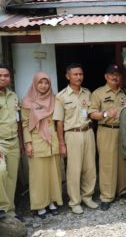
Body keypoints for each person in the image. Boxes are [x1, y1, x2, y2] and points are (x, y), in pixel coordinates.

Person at [53, 63, 98, 214]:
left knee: (90, 167)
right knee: (73, 170)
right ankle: (75, 201)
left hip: (88, 131)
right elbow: (59, 121)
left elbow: (91, 112)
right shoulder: (61, 97)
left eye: (81, 74)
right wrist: (61, 144)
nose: (79, 77)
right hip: (72, 135)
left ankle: (87, 196)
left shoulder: (87, 93)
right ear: (67, 76)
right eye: (75, 74)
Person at [21, 72, 63, 218]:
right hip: (37, 141)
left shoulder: (54, 99)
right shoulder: (27, 101)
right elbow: (25, 124)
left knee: (53, 174)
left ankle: (52, 202)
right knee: (38, 176)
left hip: (52, 141)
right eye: (41, 82)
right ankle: (40, 205)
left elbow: (58, 121)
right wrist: (28, 143)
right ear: (35, 83)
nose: (44, 86)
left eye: (46, 83)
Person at [89, 64, 126, 211]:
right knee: (107, 164)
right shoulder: (98, 93)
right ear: (106, 76)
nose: (115, 76)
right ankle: (106, 196)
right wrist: (105, 114)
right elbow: (92, 114)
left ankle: (122, 190)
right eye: (112, 73)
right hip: (106, 130)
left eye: (117, 74)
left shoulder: (124, 92)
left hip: (122, 131)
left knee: (122, 162)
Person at [0, 64, 21, 218]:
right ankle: (2, 209)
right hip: (0, 142)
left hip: (14, 141)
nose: (3, 78)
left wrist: (20, 141)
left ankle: (11, 212)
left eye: (6, 75)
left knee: (12, 177)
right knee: (1, 173)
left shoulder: (13, 96)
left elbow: (17, 120)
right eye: (0, 75)